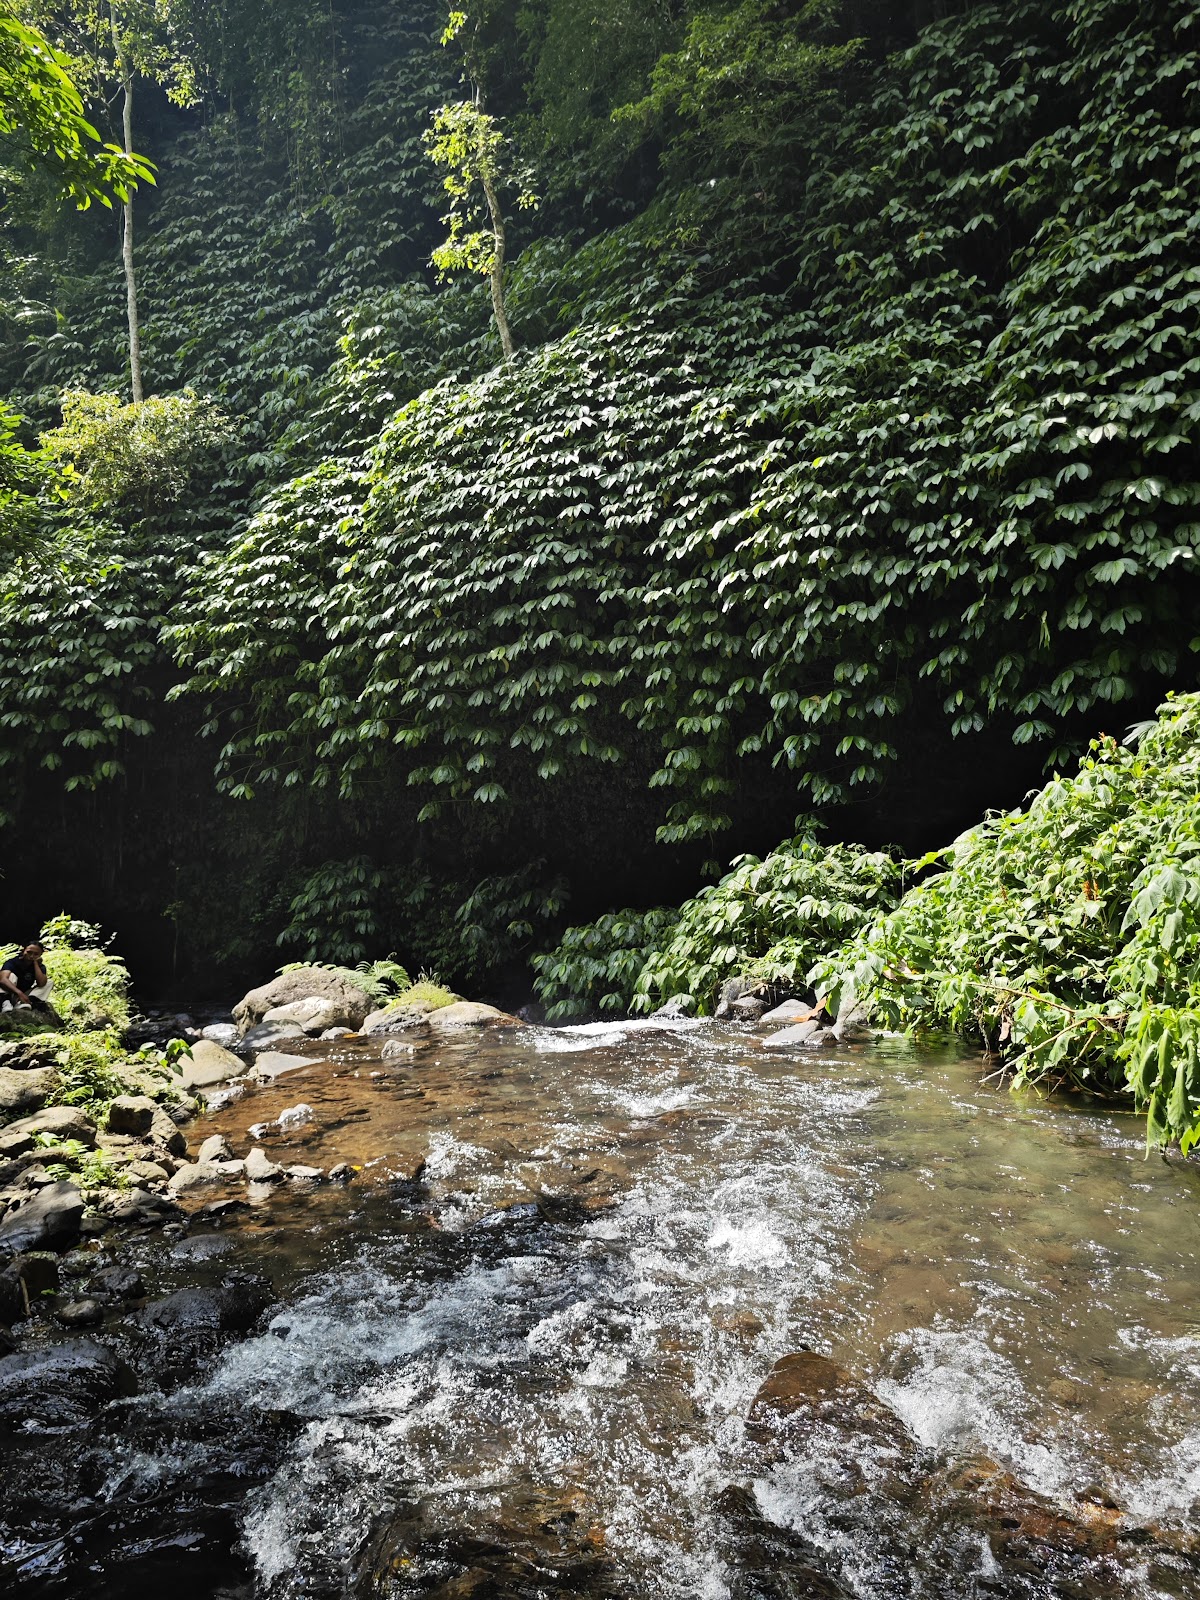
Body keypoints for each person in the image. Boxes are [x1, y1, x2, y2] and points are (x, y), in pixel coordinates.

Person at [0, 942, 52, 1011]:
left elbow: (41, 983)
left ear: (40, 955)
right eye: (29, 952)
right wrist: (19, 993)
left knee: (48, 982)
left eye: (36, 954)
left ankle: (25, 1003)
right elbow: (2, 979)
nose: (31, 956)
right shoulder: (12, 962)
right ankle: (5, 1002)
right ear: (23, 950)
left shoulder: (40, 967)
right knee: (11, 976)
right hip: (11, 993)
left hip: (25, 995)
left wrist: (35, 963)